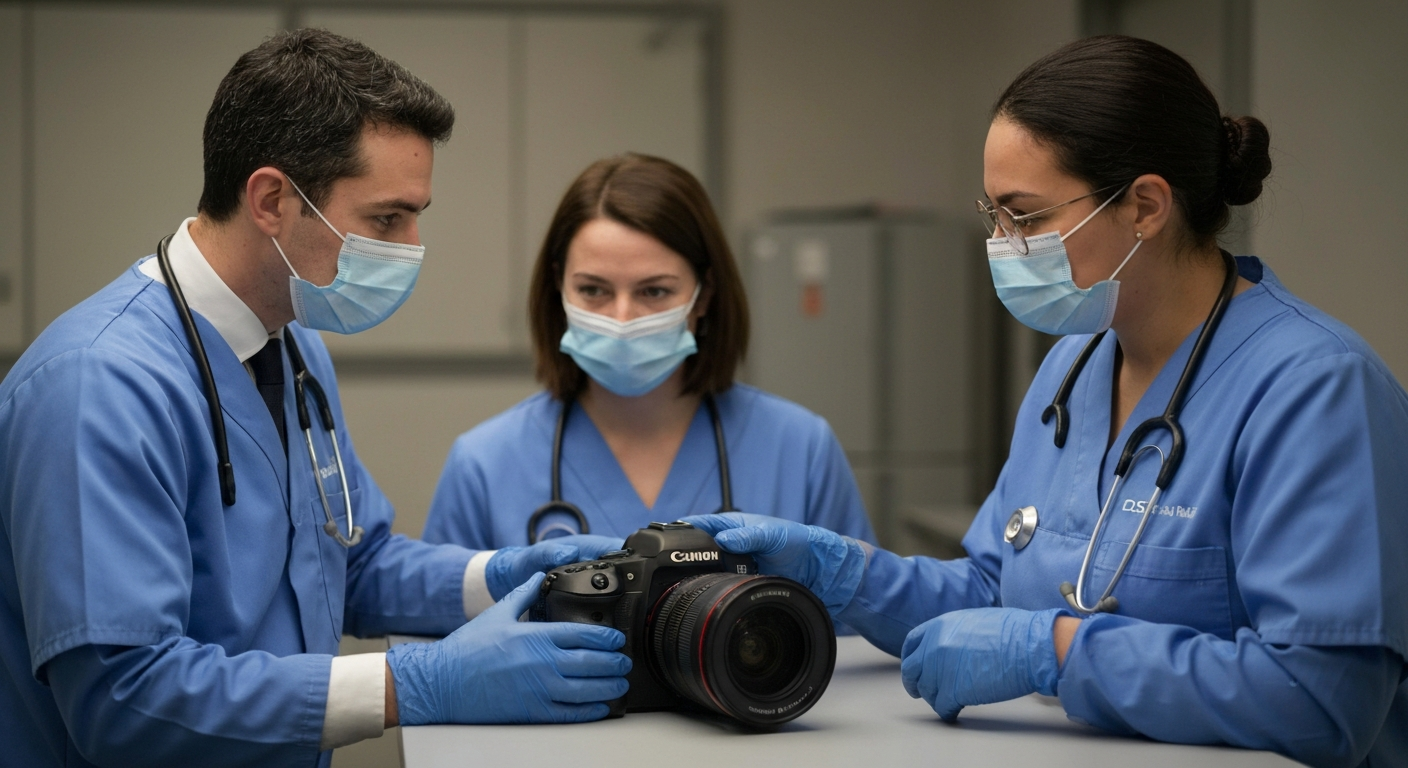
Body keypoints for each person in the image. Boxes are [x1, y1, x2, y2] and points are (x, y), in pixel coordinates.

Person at [683, 35, 1407, 767]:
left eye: (1024, 217)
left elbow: (1325, 701)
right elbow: (995, 592)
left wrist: (1059, 650)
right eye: (993, 214)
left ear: (1145, 207)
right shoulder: (1076, 363)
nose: (1002, 244)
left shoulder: (1316, 388)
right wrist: (847, 573)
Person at [0, 30, 631, 768]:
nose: (412, 247)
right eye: (387, 219)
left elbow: (344, 566)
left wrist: (499, 576)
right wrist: (412, 684)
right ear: (272, 199)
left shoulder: (293, 346)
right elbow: (125, 701)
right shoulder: (96, 384)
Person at [421, 153, 876, 613]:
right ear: (560, 288)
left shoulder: (798, 448)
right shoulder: (484, 463)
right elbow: (445, 639)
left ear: (704, 295)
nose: (622, 320)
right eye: (594, 290)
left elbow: (857, 629)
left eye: (654, 291)